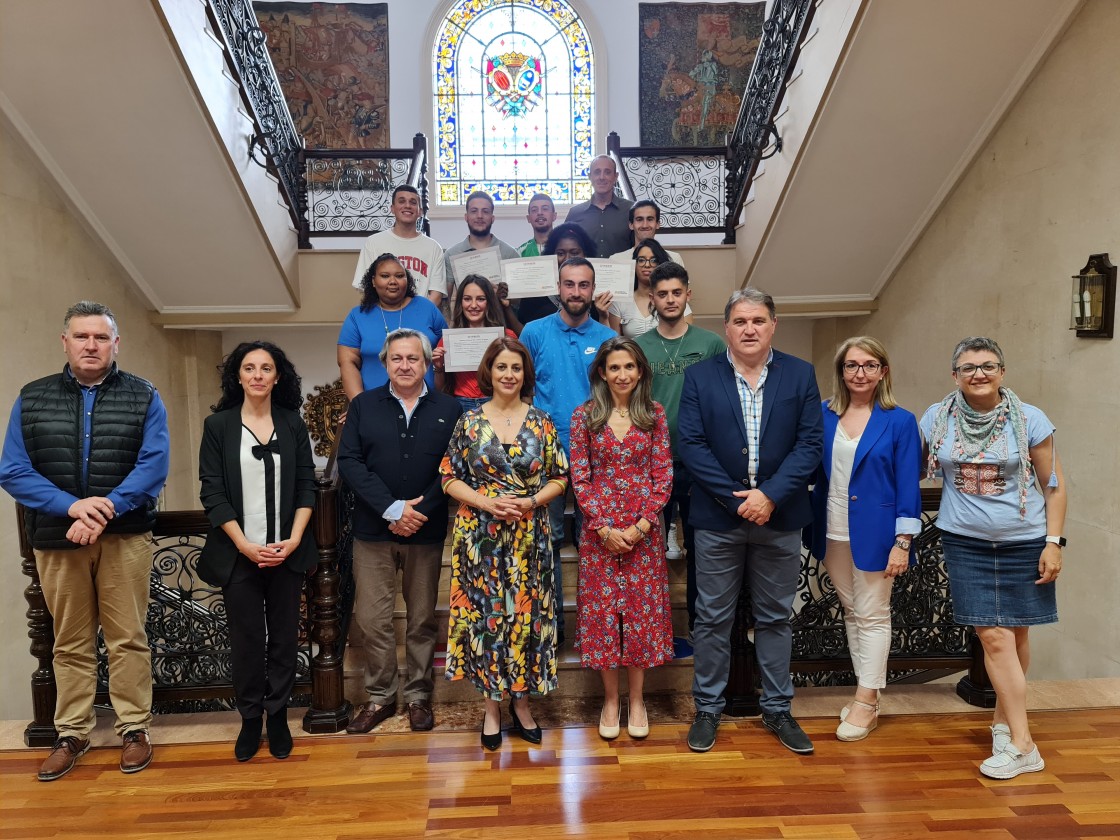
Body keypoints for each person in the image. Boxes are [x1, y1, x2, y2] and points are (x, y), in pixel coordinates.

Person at [0, 301, 169, 781]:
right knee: (69, 641)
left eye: (101, 337)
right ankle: (71, 733)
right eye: (82, 336)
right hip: (58, 538)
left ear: (117, 343)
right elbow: (12, 469)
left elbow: (153, 465)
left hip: (124, 537)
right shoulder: (32, 398)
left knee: (128, 639)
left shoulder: (143, 396)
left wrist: (105, 508)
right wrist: (72, 507)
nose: (91, 345)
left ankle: (134, 728)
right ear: (65, 342)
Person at [678, 288, 824, 755]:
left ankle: (778, 708)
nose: (749, 329)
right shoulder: (700, 376)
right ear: (727, 328)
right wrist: (736, 499)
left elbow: (810, 446)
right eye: (740, 321)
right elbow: (691, 445)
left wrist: (770, 496)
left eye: (758, 320)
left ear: (773, 325)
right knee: (712, 617)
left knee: (776, 617)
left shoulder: (800, 374)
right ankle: (707, 709)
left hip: (780, 520)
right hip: (718, 520)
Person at [921, 337, 1065, 780]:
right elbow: (911, 466)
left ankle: (1005, 724)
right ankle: (1024, 745)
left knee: (1017, 638)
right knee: (994, 638)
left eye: (987, 366)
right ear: (955, 375)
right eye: (968, 367)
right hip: (966, 542)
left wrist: (1054, 542)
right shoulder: (935, 417)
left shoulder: (1030, 418)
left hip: (1025, 540)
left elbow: (1054, 484)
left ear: (1002, 371)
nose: (978, 373)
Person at [440, 337, 570, 750]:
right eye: (501, 368)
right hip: (480, 539)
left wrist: (531, 501)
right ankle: (492, 708)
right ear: (489, 373)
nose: (509, 375)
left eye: (516, 368)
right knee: (486, 622)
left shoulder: (542, 422)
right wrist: (486, 502)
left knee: (525, 622)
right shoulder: (470, 422)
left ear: (524, 374)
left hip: (529, 539)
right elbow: (448, 476)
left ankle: (522, 703)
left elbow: (560, 477)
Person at [337, 329, 462, 734]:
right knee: (373, 619)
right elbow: (351, 462)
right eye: (397, 359)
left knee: (423, 618)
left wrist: (416, 511)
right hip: (373, 530)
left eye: (413, 358)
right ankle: (379, 697)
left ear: (426, 363)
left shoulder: (450, 408)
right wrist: (392, 509)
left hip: (425, 530)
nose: (405, 365)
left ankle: (418, 696)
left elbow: (453, 468)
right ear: (385, 363)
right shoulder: (363, 406)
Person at [197, 341, 317, 762]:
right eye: (249, 367)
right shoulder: (219, 426)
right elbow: (211, 491)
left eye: (266, 368)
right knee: (247, 640)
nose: (258, 375)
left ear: (277, 376)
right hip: (239, 555)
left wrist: (297, 538)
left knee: (284, 638)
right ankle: (250, 718)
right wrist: (245, 545)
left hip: (287, 553)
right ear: (238, 376)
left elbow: (307, 483)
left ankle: (279, 714)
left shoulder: (292, 423)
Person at [806, 337, 922, 741]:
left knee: (873, 613)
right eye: (852, 365)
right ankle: (866, 694)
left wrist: (903, 541)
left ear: (883, 371)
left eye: (870, 365)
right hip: (831, 529)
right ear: (841, 371)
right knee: (853, 611)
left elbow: (909, 485)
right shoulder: (822, 414)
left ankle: (866, 701)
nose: (860, 373)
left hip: (877, 534)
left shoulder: (900, 420)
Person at [570, 337, 674, 741]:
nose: (622, 374)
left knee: (639, 616)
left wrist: (641, 526)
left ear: (641, 371)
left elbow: (663, 475)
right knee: (604, 617)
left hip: (643, 535)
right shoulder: (585, 417)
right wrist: (603, 528)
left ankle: (637, 699)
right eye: (614, 367)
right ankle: (611, 699)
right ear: (601, 372)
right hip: (600, 535)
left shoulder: (654, 414)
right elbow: (580, 477)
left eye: (629, 366)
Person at [520, 257, 616, 642]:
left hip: (597, 453)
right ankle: (555, 627)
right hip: (546, 453)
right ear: (558, 288)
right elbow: (522, 389)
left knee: (598, 537)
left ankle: (599, 627)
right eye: (569, 284)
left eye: (584, 285)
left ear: (593, 290)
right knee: (549, 539)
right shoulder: (533, 331)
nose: (576, 292)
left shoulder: (606, 338)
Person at [634, 262, 725, 629]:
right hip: (650, 462)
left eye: (676, 292)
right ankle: (655, 625)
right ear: (651, 299)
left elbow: (723, 400)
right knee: (648, 549)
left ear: (688, 295)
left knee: (701, 547)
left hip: (700, 461)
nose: (670, 300)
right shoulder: (639, 347)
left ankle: (698, 625)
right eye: (662, 294)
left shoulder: (711, 343)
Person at [338, 252, 447, 398]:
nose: (393, 281)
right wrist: (359, 406)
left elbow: (448, 349)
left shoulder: (427, 308)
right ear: (373, 281)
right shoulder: (358, 316)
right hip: (375, 407)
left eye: (400, 276)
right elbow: (347, 362)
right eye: (385, 276)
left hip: (427, 404)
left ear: (407, 280)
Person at [433, 274, 518, 412]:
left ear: (489, 302)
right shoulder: (448, 340)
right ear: (460, 302)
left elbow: (518, 376)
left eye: (480, 299)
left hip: (498, 402)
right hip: (460, 404)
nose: (473, 305)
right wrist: (439, 368)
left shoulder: (507, 337)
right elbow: (439, 389)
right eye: (467, 299)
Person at [351, 185, 446, 307]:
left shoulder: (433, 248)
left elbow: (436, 294)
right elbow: (367, 288)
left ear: (420, 211)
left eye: (413, 202)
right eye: (402, 201)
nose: (407, 205)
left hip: (419, 320)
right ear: (392, 208)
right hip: (384, 318)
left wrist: (419, 316)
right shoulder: (374, 243)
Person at [516, 223, 612, 326]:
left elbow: (606, 337)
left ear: (586, 254)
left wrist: (603, 315)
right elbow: (526, 332)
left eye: (574, 253)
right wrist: (507, 308)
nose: (567, 259)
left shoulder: (599, 294)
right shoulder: (536, 293)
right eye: (560, 254)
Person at [442, 190, 521, 301]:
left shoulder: (510, 253)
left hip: (501, 317)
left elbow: (518, 301)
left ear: (492, 218)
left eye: (485, 211)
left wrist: (501, 295)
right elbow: (445, 298)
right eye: (474, 211)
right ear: (466, 217)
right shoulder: (451, 254)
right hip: (465, 317)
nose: (479, 216)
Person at [608, 238, 693, 338]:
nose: (647, 265)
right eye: (641, 260)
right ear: (634, 264)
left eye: (653, 260)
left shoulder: (674, 301)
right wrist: (603, 315)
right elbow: (613, 342)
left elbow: (687, 340)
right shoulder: (621, 301)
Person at [565, 154, 634, 258]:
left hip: (621, 273)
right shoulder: (575, 213)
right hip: (585, 273)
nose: (602, 177)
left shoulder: (630, 210)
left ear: (615, 177)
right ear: (590, 177)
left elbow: (639, 246)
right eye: (597, 172)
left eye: (607, 172)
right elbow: (565, 249)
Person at [608, 200, 685, 266]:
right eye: (639, 219)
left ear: (657, 224)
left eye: (650, 219)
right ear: (631, 225)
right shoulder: (616, 260)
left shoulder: (674, 259)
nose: (645, 225)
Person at [518, 192, 557, 257]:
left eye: (545, 209)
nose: (539, 213)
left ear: (554, 216)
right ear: (528, 218)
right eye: (534, 210)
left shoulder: (562, 248)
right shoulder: (520, 252)